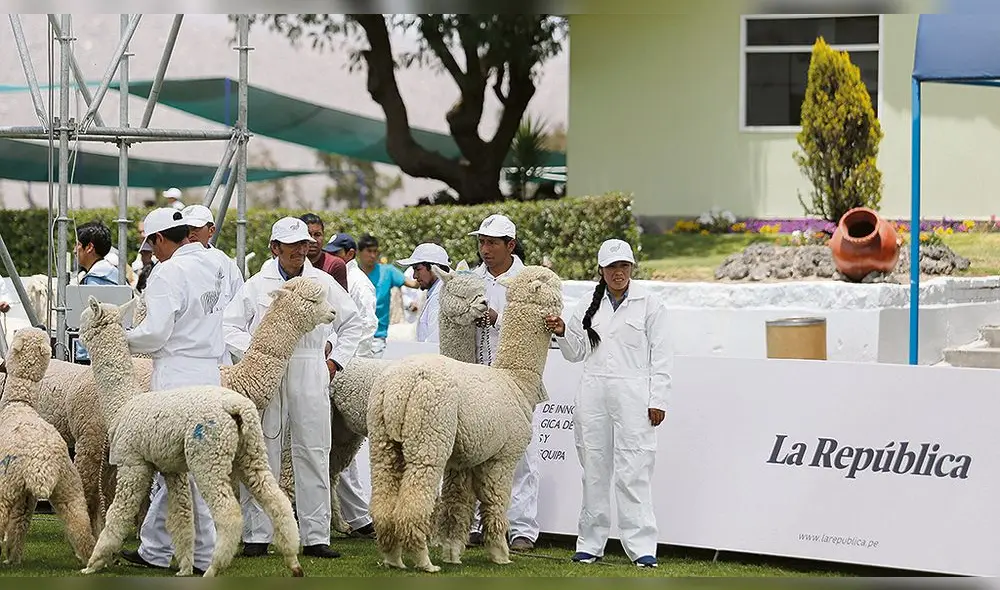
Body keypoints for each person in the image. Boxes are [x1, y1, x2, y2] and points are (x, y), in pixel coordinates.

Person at [224, 216, 364, 559]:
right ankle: (258, 534)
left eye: (304, 245)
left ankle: (316, 536)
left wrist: (334, 363)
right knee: (262, 450)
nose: (301, 251)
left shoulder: (322, 282)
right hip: (268, 372)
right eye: (293, 246)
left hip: (309, 366)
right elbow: (229, 326)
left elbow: (353, 322)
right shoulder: (258, 284)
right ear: (275, 248)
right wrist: (260, 354)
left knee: (314, 450)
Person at [118, 207, 232, 575]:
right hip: (209, 373)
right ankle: (155, 547)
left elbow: (156, 333)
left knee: (187, 469)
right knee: (183, 469)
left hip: (176, 376)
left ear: (161, 239)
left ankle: (203, 555)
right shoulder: (216, 262)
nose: (151, 255)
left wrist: (119, 339)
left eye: (151, 248)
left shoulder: (168, 272)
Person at [544, 238, 670, 569]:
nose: (619, 272)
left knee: (634, 470)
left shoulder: (649, 304)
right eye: (612, 267)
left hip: (634, 395)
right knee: (594, 470)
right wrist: (560, 331)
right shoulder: (588, 303)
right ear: (600, 270)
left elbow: (662, 356)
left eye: (624, 266)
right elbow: (574, 353)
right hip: (593, 394)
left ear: (631, 268)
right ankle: (590, 543)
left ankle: (642, 546)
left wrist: (658, 399)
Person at [467, 213, 540, 551]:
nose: (485, 249)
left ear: (510, 245)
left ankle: (523, 527)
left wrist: (498, 321)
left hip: (516, 383)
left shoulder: (528, 281)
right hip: (479, 379)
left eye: (492, 243)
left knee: (521, 454)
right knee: (477, 451)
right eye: (482, 242)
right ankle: (481, 523)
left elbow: (536, 330)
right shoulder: (472, 279)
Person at [302, 218, 376, 539]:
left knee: (339, 447)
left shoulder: (335, 271)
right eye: (310, 237)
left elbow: (354, 322)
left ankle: (353, 518)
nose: (314, 242)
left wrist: (336, 360)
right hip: (314, 364)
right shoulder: (313, 271)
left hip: (347, 368)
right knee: (325, 447)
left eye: (317, 235)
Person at [181, 204, 245, 365]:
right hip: (182, 355)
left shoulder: (225, 264)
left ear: (211, 230)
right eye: (186, 228)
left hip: (219, 357)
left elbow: (240, 308)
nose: (191, 232)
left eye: (196, 227)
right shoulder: (174, 262)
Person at [350, 234, 417, 358]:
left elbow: (415, 284)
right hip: (353, 336)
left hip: (378, 338)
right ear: (359, 252)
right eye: (369, 251)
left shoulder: (388, 271)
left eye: (375, 251)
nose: (373, 255)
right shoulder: (351, 273)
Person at [323, 232, 378, 358]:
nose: (330, 257)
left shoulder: (359, 282)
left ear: (350, 253)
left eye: (335, 253)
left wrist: (357, 360)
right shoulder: (335, 276)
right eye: (329, 253)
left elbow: (367, 322)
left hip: (352, 357)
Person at [73, 221, 122, 364]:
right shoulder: (114, 274)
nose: (75, 250)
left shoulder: (96, 280)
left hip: (93, 355)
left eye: (77, 244)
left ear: (89, 247)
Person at [395, 243, 451, 344]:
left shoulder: (440, 298)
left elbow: (434, 343)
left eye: (418, 269)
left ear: (435, 268)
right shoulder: (435, 292)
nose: (414, 276)